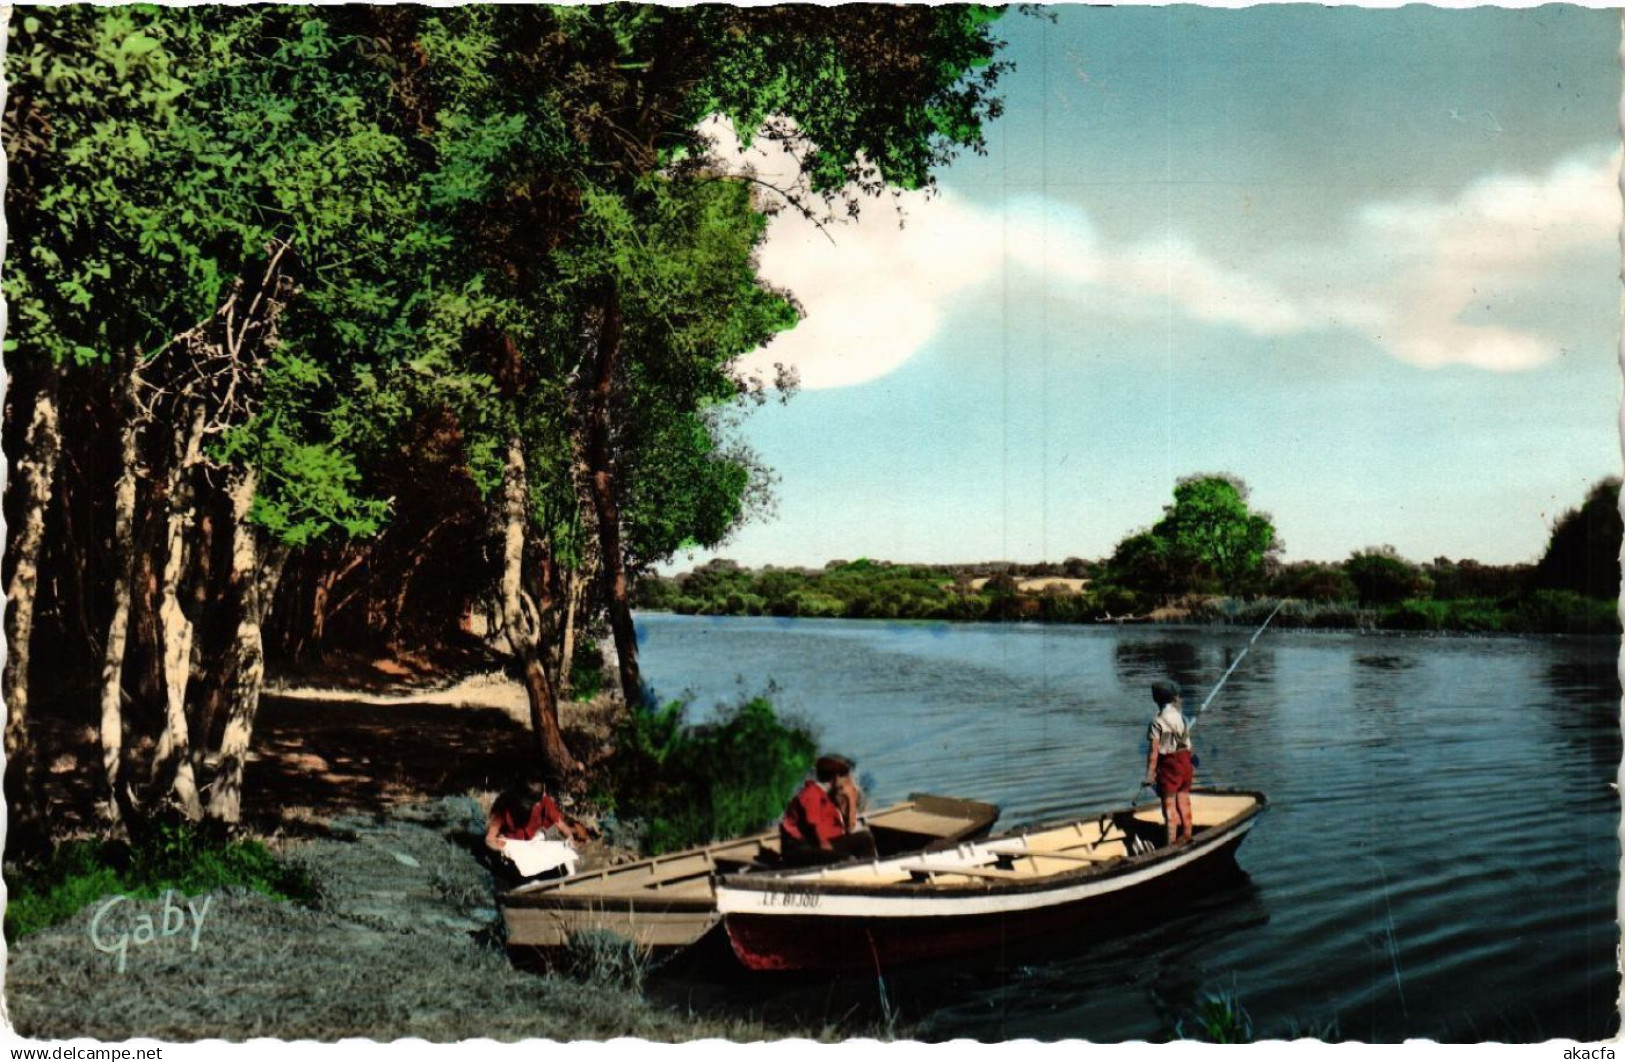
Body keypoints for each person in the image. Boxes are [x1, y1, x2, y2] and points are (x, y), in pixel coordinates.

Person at [780, 755, 877, 865]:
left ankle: (871, 866)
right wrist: (826, 847)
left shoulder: (831, 797)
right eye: (845, 774)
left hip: (823, 842)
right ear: (835, 777)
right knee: (847, 859)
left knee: (864, 839)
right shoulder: (812, 793)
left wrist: (851, 799)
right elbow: (813, 826)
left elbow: (850, 828)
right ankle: (866, 869)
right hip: (802, 848)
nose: (850, 779)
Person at [1143, 680, 1195, 847]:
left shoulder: (1157, 722)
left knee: (1169, 805)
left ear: (1155, 699)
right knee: (1184, 799)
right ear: (1173, 697)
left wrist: (1149, 775)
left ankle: (1170, 843)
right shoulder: (1180, 717)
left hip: (1169, 765)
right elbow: (1188, 744)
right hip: (1185, 761)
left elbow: (1154, 752)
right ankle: (1187, 833)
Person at [486, 777, 591, 853]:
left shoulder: (544, 802)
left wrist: (570, 839)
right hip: (512, 845)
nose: (534, 806)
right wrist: (501, 848)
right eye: (529, 804)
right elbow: (490, 839)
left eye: (536, 803)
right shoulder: (505, 804)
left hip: (534, 843)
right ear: (520, 797)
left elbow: (562, 827)